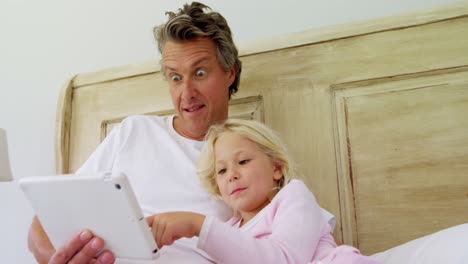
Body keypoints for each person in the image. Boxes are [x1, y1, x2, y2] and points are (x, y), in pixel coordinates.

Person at [27, 2, 334, 263]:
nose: (186, 92)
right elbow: (41, 226)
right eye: (175, 78)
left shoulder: (250, 165)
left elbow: (288, 247)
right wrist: (62, 257)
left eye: (200, 73)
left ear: (230, 73)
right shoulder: (133, 132)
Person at [147, 119, 378, 263]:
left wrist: (197, 225)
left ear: (276, 168)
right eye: (222, 170)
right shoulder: (229, 231)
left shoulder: (293, 197)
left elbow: (284, 259)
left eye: (244, 161)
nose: (232, 175)